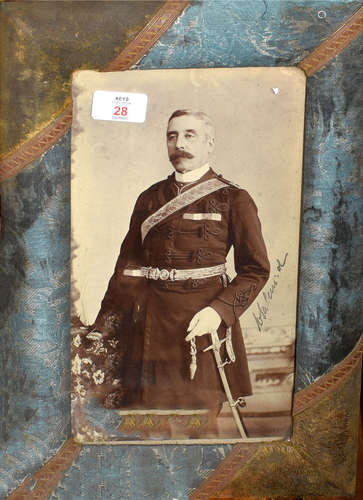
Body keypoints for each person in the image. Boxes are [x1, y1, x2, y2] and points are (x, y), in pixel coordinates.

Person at [91, 109, 270, 416]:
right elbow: (127, 269)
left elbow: (256, 270)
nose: (179, 143)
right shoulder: (148, 198)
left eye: (190, 135)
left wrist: (220, 311)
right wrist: (103, 327)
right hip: (147, 327)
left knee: (195, 428)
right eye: (172, 136)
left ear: (209, 143)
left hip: (200, 326)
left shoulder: (233, 198)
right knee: (144, 427)